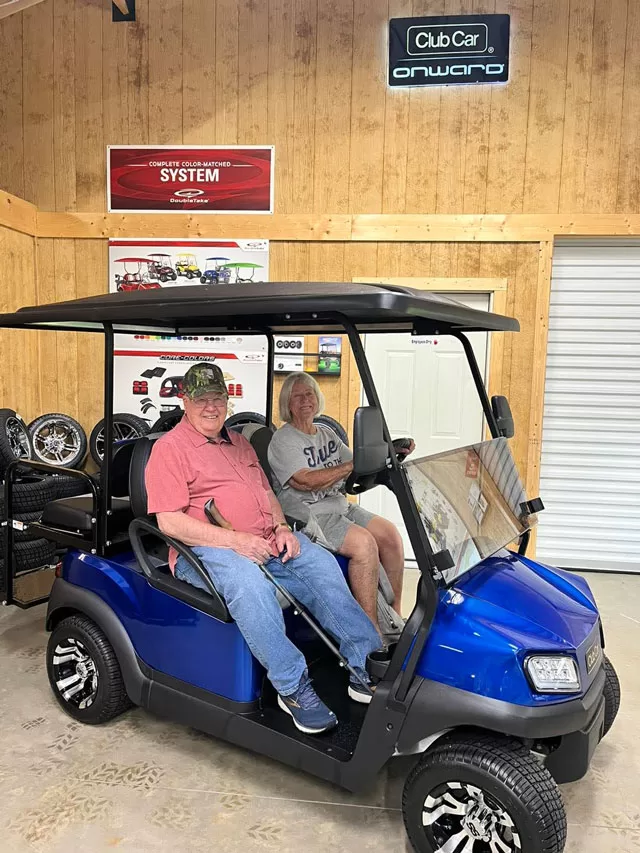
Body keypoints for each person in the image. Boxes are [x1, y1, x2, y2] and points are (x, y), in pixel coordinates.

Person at [144, 362, 381, 736]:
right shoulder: (169, 449)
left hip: (264, 539)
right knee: (250, 585)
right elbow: (169, 523)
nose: (211, 406)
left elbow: (266, 493)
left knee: (319, 562)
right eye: (202, 399)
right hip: (206, 549)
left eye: (218, 398)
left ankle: (364, 660)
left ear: (227, 400)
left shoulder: (238, 443)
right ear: (185, 401)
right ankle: (292, 687)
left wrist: (282, 526)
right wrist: (237, 542)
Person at [268, 372, 413, 633]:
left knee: (390, 535)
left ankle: (394, 618)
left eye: (309, 393)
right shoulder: (283, 439)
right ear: (287, 404)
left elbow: (358, 465)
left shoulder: (326, 434)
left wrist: (389, 453)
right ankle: (371, 633)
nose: (305, 400)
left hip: (339, 505)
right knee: (364, 544)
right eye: (297, 396)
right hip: (309, 514)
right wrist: (351, 465)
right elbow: (305, 481)